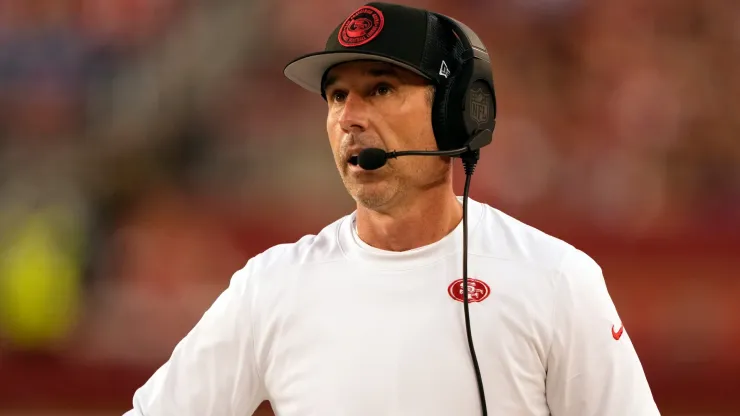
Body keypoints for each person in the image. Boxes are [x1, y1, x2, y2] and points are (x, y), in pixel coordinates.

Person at [124, 2, 660, 415]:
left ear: (459, 115)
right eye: (336, 96)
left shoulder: (555, 279)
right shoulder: (271, 287)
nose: (349, 117)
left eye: (380, 89)